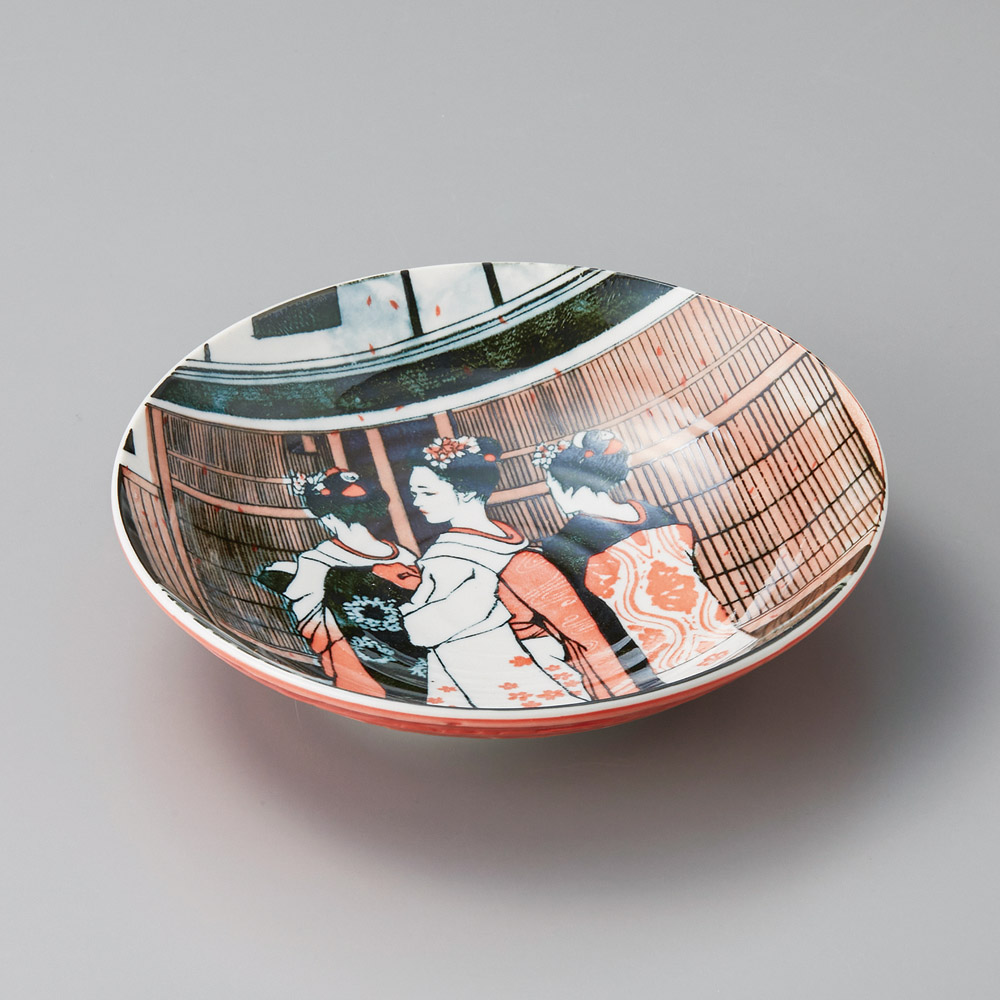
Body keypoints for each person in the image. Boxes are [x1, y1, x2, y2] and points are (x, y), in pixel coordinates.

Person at [536, 430, 754, 684]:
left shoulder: (566, 543)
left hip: (664, 667)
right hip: (724, 636)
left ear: (564, 481)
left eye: (551, 483)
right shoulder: (653, 514)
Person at [402, 435, 593, 709]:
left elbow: (441, 635)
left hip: (507, 665)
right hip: (543, 653)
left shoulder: (447, 558)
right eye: (414, 494)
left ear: (465, 492)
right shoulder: (506, 538)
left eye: (427, 493)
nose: (417, 502)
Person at [256, 466, 427, 702]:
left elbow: (305, 605)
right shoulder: (403, 555)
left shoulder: (318, 559)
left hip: (366, 654)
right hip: (416, 651)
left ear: (324, 514)